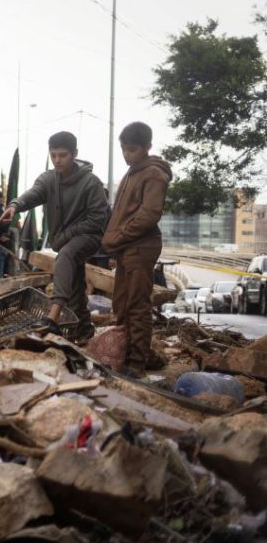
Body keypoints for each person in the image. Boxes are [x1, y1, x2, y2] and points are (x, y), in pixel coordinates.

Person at [0, 131, 108, 341]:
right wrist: (14, 205)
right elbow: (34, 193)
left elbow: (97, 220)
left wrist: (66, 235)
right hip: (64, 240)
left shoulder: (91, 182)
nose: (57, 160)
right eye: (53, 155)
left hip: (89, 237)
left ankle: (52, 316)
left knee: (65, 256)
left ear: (74, 153)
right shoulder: (48, 179)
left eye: (63, 155)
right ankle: (84, 331)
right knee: (75, 287)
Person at [101, 122, 171, 377]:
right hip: (126, 248)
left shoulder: (153, 174)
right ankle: (123, 356)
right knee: (121, 305)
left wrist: (117, 238)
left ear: (147, 147)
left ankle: (136, 364)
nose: (126, 155)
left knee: (137, 305)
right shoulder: (133, 173)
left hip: (141, 247)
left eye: (132, 149)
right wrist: (115, 243)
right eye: (123, 149)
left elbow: (148, 216)